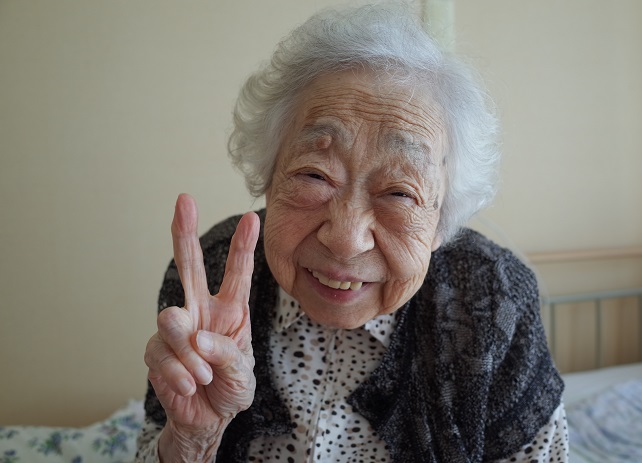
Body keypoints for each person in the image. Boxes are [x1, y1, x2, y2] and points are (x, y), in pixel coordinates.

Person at [136, 3, 568, 462]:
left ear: (443, 221)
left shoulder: (493, 299)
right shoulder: (211, 273)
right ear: (268, 179)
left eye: (399, 193)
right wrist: (194, 439)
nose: (346, 239)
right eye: (314, 175)